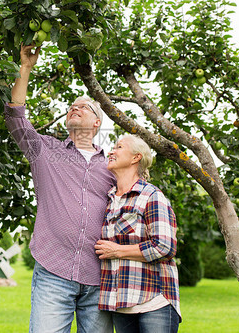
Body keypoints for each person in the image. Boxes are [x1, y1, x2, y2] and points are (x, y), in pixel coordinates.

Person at [4, 44, 116, 333]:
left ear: (97, 122)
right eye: (71, 107)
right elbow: (15, 117)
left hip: (100, 275)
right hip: (54, 269)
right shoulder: (45, 150)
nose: (75, 108)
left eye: (84, 107)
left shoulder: (114, 165)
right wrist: (25, 68)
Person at [94, 135, 181, 333]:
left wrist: (118, 251)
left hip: (154, 301)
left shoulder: (151, 196)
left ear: (136, 158)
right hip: (121, 304)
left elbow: (164, 247)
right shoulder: (109, 200)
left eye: (119, 147)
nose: (111, 151)